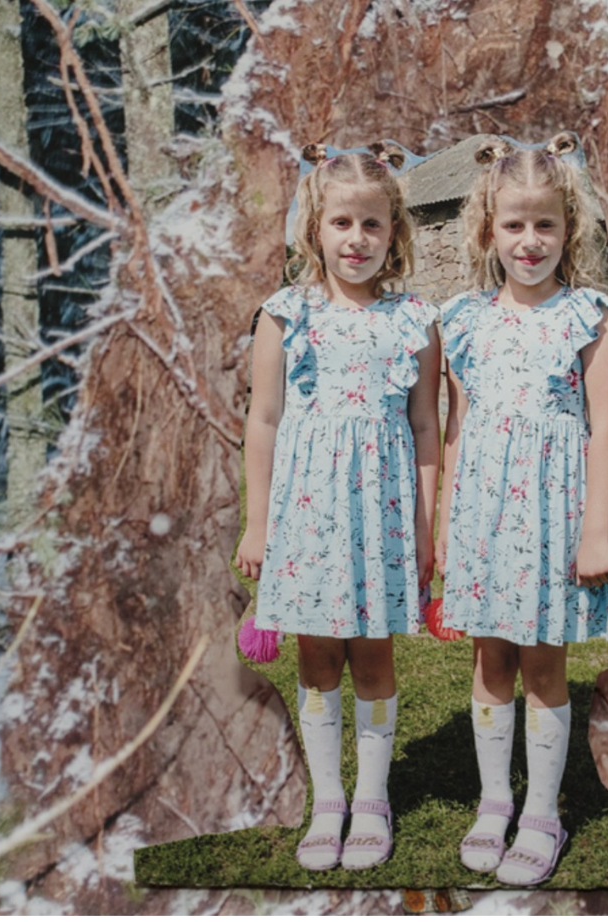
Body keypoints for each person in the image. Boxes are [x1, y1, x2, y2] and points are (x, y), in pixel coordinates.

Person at [235, 142, 440, 872]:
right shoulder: (284, 316)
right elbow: (263, 421)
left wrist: (425, 528)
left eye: (372, 226)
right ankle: (329, 801)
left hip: (381, 513)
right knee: (318, 656)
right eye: (342, 223)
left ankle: (374, 800)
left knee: (373, 653)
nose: (356, 239)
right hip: (307, 514)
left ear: (394, 234)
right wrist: (259, 525)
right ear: (314, 229)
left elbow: (424, 428)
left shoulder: (416, 320)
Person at [436, 132, 608, 886]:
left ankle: (542, 812)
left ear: (567, 229)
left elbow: (606, 428)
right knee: (491, 659)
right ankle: (493, 803)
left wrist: (595, 531)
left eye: (545, 224)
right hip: (483, 514)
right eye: (514, 224)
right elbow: (455, 429)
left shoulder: (590, 318)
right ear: (489, 230)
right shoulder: (464, 320)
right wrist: (447, 520)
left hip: (555, 516)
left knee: (544, 662)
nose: (530, 240)